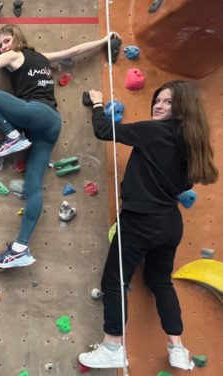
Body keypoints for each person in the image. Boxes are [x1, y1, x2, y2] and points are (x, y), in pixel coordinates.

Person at [0, 25, 118, 269]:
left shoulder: (14, 55)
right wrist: (103, 40)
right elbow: (75, 50)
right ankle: (20, 248)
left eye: (6, 41)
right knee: (33, 187)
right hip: (51, 126)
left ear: (17, 39)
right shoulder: (42, 57)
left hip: (36, 113)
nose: (3, 47)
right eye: (0, 45)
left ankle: (12, 135)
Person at [78, 81, 218, 370]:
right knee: (160, 282)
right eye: (158, 99)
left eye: (168, 102)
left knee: (114, 281)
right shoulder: (191, 142)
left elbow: (104, 130)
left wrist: (96, 103)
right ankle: (177, 346)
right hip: (169, 224)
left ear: (181, 108)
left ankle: (113, 345)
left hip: (140, 220)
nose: (159, 104)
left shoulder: (155, 132)